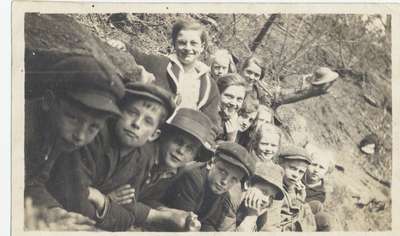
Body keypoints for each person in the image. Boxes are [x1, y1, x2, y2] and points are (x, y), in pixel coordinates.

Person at [47, 82, 177, 231]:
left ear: (154, 134)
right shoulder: (93, 136)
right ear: (118, 113)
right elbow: (74, 203)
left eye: (148, 121)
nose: (136, 123)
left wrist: (102, 200)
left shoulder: (142, 156)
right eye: (132, 112)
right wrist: (110, 205)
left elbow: (128, 216)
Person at [25, 55, 125, 230]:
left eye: (94, 127)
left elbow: (32, 181)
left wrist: (53, 212)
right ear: (48, 101)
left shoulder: (55, 135)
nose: (80, 135)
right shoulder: (18, 127)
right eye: (73, 118)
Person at [108, 108, 216, 231]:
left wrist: (167, 210)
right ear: (164, 136)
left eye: (190, 149)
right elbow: (121, 201)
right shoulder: (142, 154)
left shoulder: (175, 170)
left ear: (194, 157)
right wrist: (164, 216)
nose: (181, 151)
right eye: (178, 141)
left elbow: (147, 198)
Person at [108, 18, 221, 134]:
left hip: (182, 137)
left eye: (193, 43)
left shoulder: (209, 85)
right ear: (174, 44)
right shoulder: (160, 63)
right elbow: (138, 55)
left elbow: (212, 123)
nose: (188, 48)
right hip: (155, 129)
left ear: (202, 47)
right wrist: (122, 46)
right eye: (182, 42)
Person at [162, 142, 256, 231]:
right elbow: (185, 224)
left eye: (233, 179)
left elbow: (209, 224)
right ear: (211, 163)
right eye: (222, 172)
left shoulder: (223, 193)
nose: (225, 181)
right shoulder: (193, 178)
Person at [240, 56, 336, 110]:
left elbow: (277, 97)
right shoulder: (230, 83)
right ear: (242, 69)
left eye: (256, 75)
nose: (252, 77)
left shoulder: (258, 91)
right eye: (249, 72)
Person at [233, 162, 285, 231]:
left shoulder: (264, 213)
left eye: (271, 197)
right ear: (248, 185)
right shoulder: (231, 200)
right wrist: (251, 217)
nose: (266, 200)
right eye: (264, 192)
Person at [277, 145, 316, 232]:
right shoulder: (276, 187)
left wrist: (300, 197)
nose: (296, 175)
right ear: (280, 164)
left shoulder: (291, 186)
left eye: (301, 172)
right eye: (292, 168)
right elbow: (286, 219)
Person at [303, 143, 336, 231]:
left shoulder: (320, 194)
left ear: (326, 172)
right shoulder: (299, 175)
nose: (316, 170)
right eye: (314, 165)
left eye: (321, 167)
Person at [216, 73, 247, 141]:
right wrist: (231, 139)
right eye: (229, 96)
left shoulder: (235, 120)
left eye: (239, 99)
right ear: (218, 94)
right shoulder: (208, 116)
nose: (233, 103)